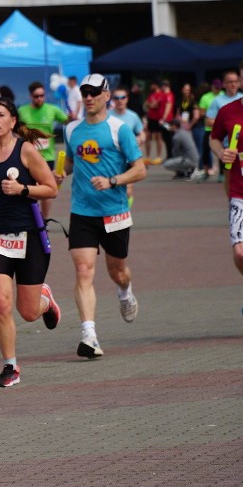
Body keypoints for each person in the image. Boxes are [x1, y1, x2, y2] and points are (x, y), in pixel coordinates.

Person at [0, 96, 60, 387]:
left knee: (29, 312)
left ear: (12, 121)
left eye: (0, 115)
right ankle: (10, 366)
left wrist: (22, 189)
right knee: (2, 303)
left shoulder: (27, 151)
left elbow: (51, 189)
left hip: (29, 236)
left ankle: (46, 300)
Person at [60, 74, 146, 360]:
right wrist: (58, 173)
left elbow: (140, 169)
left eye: (95, 93)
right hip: (82, 212)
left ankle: (125, 291)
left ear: (106, 95)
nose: (89, 98)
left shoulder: (119, 130)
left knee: (117, 271)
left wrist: (113, 180)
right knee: (84, 271)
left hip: (114, 212)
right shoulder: (72, 129)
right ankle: (89, 335)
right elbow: (71, 162)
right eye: (85, 93)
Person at [209, 56, 243, 319]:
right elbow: (213, 139)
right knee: (240, 252)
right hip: (241, 193)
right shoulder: (228, 112)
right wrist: (222, 152)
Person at [18, 81, 69, 219]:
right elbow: (15, 129)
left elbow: (68, 122)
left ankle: (44, 221)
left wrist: (72, 117)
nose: (40, 99)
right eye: (36, 96)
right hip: (27, 156)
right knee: (29, 189)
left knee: (46, 189)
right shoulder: (22, 111)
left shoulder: (52, 109)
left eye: (42, 96)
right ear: (30, 96)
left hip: (47, 156)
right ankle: (31, 218)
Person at [206, 70, 243, 191]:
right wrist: (227, 123)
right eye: (229, 82)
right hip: (228, 146)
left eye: (235, 82)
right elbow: (208, 121)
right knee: (230, 179)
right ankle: (233, 202)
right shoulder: (218, 101)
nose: (233, 84)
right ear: (224, 84)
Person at [109, 87, 145, 205]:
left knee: (128, 190)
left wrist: (141, 139)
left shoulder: (133, 116)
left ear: (127, 99)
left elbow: (141, 132)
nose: (120, 100)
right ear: (113, 100)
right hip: (112, 157)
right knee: (112, 187)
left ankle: (125, 210)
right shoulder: (107, 116)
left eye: (122, 97)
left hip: (129, 157)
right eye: (116, 98)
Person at [190, 79, 222, 182]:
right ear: (212, 87)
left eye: (219, 88)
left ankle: (222, 173)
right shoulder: (206, 97)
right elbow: (202, 112)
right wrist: (212, 116)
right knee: (205, 150)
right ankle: (206, 170)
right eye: (216, 87)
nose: (218, 90)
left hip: (223, 128)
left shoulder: (223, 95)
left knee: (223, 150)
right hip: (209, 127)